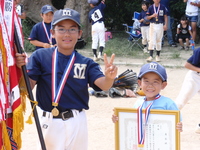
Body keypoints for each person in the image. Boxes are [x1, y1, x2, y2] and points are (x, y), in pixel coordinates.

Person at [16, 8, 118, 149]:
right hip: (49, 121)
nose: (67, 34)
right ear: (52, 33)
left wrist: (109, 77)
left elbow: (104, 85)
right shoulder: (40, 56)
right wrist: (19, 70)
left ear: (79, 33)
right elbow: (27, 87)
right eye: (61, 29)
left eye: (72, 29)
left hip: (76, 121)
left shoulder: (86, 62)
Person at [112, 62, 183, 133]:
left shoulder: (168, 104)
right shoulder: (138, 103)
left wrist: (179, 126)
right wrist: (118, 119)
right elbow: (132, 122)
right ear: (140, 83)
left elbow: (177, 121)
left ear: (163, 85)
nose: (150, 85)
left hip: (161, 141)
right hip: (143, 142)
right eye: (146, 81)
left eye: (155, 82)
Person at [175, 47, 200, 134]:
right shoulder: (199, 51)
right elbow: (187, 65)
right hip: (194, 77)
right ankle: (167, 120)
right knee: (181, 101)